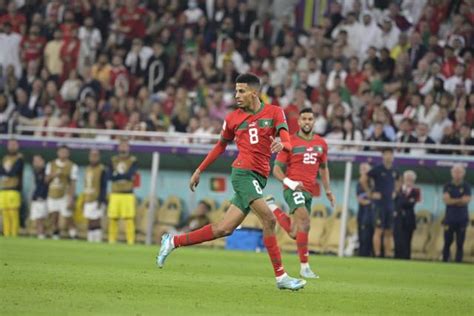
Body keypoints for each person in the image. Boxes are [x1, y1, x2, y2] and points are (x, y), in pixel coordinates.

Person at [157, 73, 306, 290]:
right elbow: (220, 146)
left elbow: (288, 141)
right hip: (243, 173)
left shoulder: (274, 112)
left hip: (258, 177)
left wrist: (283, 145)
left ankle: (172, 241)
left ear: (254, 93)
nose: (236, 95)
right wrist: (199, 169)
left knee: (223, 229)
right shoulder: (232, 118)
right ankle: (281, 277)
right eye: (236, 91)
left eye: (241, 91)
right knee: (270, 220)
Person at [266, 108, 335, 278]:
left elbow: (324, 169)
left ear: (314, 121)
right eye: (303, 119)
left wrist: (328, 190)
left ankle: (272, 207)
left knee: (296, 232)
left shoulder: (321, 144)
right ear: (298, 121)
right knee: (305, 222)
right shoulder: (289, 142)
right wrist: (290, 183)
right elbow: (276, 170)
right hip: (293, 189)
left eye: (310, 119)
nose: (307, 122)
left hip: (309, 192)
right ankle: (305, 268)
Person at [368, 148, 399, 258]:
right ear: (383, 156)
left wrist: (395, 191)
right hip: (379, 205)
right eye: (386, 154)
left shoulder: (395, 170)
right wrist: (370, 193)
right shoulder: (377, 169)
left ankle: (388, 254)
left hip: (390, 204)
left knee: (389, 231)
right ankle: (377, 254)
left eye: (390, 154)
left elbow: (398, 181)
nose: (388, 156)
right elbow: (363, 179)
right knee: (378, 230)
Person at [107, 139, 138, 245]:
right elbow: (109, 176)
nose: (123, 148)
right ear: (118, 147)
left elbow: (131, 175)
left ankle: (130, 241)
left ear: (128, 148)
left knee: (129, 219)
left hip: (128, 193)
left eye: (125, 146)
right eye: (121, 146)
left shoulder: (133, 160)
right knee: (113, 218)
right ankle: (111, 240)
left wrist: (117, 175)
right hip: (115, 193)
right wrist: (124, 176)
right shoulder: (113, 160)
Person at [45, 145, 78, 239]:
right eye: (61, 152)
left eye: (65, 152)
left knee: (68, 216)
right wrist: (53, 175)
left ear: (68, 154)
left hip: (65, 194)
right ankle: (55, 234)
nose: (63, 154)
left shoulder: (72, 166)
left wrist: (71, 197)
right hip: (52, 193)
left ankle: (73, 234)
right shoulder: (50, 164)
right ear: (58, 153)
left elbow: (73, 182)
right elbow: (46, 180)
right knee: (54, 216)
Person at [442, 164, 471, 263]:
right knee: (447, 242)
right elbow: (446, 201)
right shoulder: (447, 185)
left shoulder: (466, 186)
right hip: (449, 219)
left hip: (462, 219)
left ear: (463, 174)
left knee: (460, 243)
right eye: (455, 172)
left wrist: (452, 200)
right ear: (452, 173)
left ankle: (458, 262)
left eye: (459, 172)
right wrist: (459, 200)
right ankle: (445, 261)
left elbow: (466, 200)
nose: (457, 174)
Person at [393, 170, 420, 259]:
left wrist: (403, 200)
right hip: (398, 218)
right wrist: (405, 200)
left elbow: (411, 203)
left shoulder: (416, 191)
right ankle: (396, 258)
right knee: (397, 240)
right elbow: (395, 202)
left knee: (407, 241)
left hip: (409, 219)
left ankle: (406, 259)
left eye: (410, 179)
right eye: (407, 179)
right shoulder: (398, 190)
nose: (408, 181)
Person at [0, 139, 24, 237]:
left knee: (13, 214)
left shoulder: (19, 158)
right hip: (3, 189)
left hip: (13, 189)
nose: (12, 146)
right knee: (4, 213)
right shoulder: (5, 158)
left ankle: (14, 235)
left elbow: (14, 172)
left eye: (14, 144)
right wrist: (6, 172)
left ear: (17, 146)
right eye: (10, 144)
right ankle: (6, 235)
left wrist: (6, 172)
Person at [83, 149, 107, 243]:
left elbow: (103, 186)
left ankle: (97, 241)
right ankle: (90, 241)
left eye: (95, 155)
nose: (93, 157)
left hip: (97, 199)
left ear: (99, 157)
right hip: (88, 197)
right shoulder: (87, 168)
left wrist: (101, 199)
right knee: (89, 220)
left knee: (96, 220)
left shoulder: (102, 169)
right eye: (92, 155)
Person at [356, 163, 374, 257]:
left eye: (365, 169)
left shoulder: (373, 183)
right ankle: (362, 255)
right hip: (362, 213)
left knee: (371, 236)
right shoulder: (359, 184)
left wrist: (369, 200)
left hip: (373, 213)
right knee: (362, 236)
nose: (364, 171)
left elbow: (373, 197)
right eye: (362, 169)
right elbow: (360, 199)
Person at [30, 155, 48, 239]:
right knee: (37, 218)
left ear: (43, 162)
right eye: (34, 161)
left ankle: (42, 235)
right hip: (35, 198)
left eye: (38, 161)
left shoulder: (46, 172)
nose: (36, 163)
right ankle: (39, 235)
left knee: (41, 219)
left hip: (43, 198)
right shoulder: (35, 172)